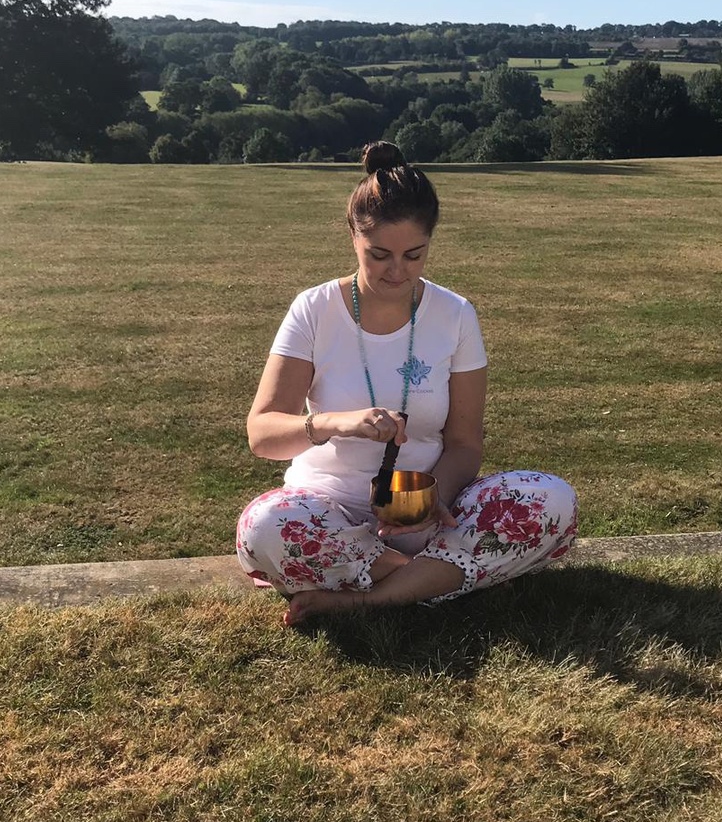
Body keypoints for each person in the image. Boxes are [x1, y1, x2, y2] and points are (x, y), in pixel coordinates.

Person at [236, 141, 577, 625]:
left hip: (428, 514)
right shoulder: (314, 309)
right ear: (353, 235)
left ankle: (368, 597)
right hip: (327, 512)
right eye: (379, 255)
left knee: (552, 499)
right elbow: (263, 434)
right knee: (266, 524)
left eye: (414, 256)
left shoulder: (455, 314)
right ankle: (435, 579)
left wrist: (435, 499)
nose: (397, 272)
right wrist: (334, 423)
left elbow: (464, 443)